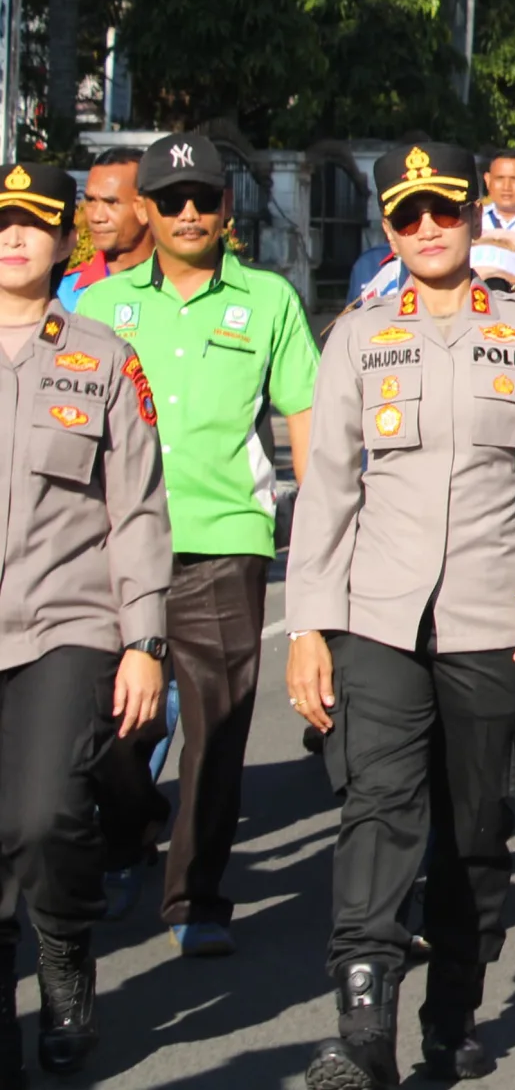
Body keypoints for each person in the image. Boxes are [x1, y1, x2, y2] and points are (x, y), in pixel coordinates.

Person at [283, 143, 515, 1089]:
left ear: (473, 218)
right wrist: (306, 626)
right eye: (406, 216)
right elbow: (327, 489)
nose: (425, 230)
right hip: (377, 613)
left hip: (490, 615)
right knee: (378, 804)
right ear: (388, 229)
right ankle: (363, 1022)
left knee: (470, 822)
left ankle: (451, 1008)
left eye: (441, 212)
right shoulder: (359, 335)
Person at [74, 131, 318, 958]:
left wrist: (317, 531)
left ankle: (196, 897)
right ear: (145, 208)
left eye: (202, 199)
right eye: (170, 199)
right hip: (110, 546)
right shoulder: (99, 309)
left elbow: (305, 420)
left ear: (225, 210)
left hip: (223, 541)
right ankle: (135, 818)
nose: (187, 213)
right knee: (98, 726)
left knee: (217, 728)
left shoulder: (271, 301)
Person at [0, 161, 171, 1077]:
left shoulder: (103, 356)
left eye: (33, 223)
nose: (14, 237)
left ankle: (63, 949)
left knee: (45, 815)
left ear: (65, 240)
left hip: (65, 622)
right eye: (2, 221)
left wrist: (143, 639)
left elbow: (138, 508)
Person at [59, 146, 148, 311]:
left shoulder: (181, 286)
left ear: (145, 207)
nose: (96, 217)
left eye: (111, 202)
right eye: (91, 201)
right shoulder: (62, 294)